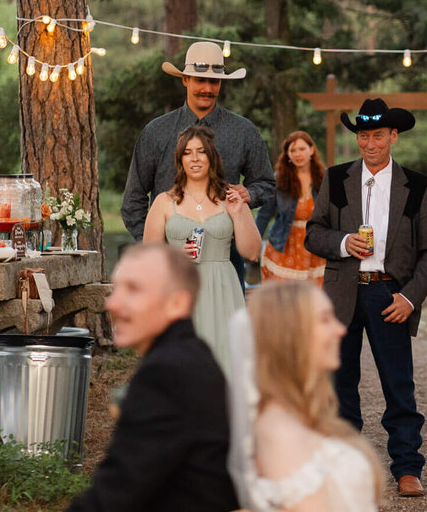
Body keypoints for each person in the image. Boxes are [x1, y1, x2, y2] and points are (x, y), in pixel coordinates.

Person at [305, 97, 427, 498]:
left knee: (398, 385)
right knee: (340, 383)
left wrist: (410, 298)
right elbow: (313, 234)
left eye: (378, 136)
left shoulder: (418, 186)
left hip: (389, 293)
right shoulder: (335, 178)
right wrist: (345, 242)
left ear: (393, 136)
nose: (370, 144)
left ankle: (407, 468)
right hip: (342, 292)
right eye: (363, 136)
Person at [58, 242, 239, 512]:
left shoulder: (168, 373)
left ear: (177, 303)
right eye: (116, 288)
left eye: (134, 289)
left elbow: (113, 496)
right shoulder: (190, 354)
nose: (112, 303)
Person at [121, 41, 275, 286]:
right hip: (168, 259)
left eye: (213, 81)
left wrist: (250, 193)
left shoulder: (244, 131)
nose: (207, 88)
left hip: (226, 255)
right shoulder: (156, 132)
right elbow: (133, 201)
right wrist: (157, 247)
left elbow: (266, 183)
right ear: (185, 80)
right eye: (199, 80)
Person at [226, 281, 382, 512]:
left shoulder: (284, 416)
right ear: (289, 337)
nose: (340, 329)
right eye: (325, 319)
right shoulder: (283, 435)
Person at [142, 125, 261, 368]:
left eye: (201, 151)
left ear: (211, 157)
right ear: (179, 159)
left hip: (222, 287)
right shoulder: (164, 202)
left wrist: (238, 213)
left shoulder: (231, 198)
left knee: (225, 362)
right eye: (187, 152)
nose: (194, 158)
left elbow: (252, 252)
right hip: (180, 289)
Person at [255, 130, 326, 284]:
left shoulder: (324, 179)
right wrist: (253, 245)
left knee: (313, 299)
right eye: (292, 150)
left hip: (315, 246)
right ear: (287, 154)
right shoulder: (278, 180)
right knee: (285, 298)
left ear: (311, 150)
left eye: (301, 149)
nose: (297, 154)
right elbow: (264, 215)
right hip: (284, 245)